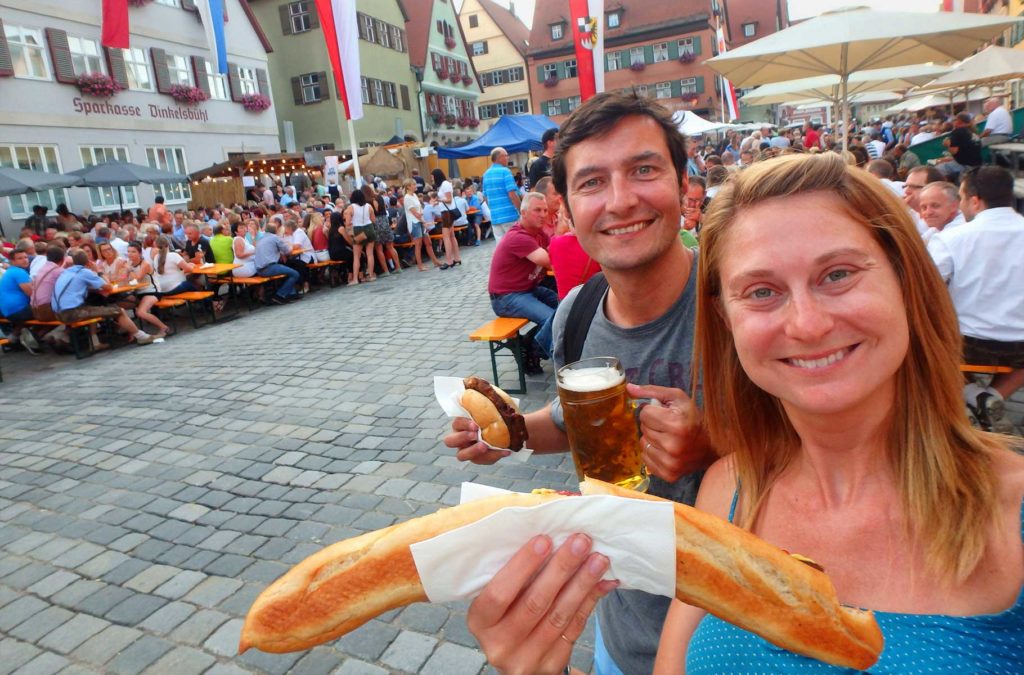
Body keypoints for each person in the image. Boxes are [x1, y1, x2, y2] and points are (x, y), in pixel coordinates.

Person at [467, 151, 1024, 675]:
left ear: (906, 281)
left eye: (838, 275)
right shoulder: (727, 491)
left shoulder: (1012, 512)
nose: (806, 324)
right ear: (725, 318)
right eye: (761, 291)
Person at [447, 93, 714, 674]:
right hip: (622, 636)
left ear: (683, 181)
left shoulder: (740, 301)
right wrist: (511, 434)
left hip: (737, 645)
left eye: (644, 170)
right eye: (593, 182)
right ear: (565, 207)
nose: (621, 200)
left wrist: (715, 446)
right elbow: (573, 425)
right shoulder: (577, 312)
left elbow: (836, 451)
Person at [928, 165, 1024, 410]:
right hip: (1021, 345)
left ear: (975, 201)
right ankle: (991, 396)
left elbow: (925, 286)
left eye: (961, 199)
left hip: (966, 344)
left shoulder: (952, 238)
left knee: (926, 337)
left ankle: (971, 394)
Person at [487, 192, 556, 371]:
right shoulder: (518, 237)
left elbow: (556, 249)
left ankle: (528, 343)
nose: (543, 214)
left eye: (545, 210)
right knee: (553, 318)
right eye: (537, 210)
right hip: (506, 298)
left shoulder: (539, 234)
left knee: (565, 310)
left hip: (528, 290)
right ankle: (532, 349)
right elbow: (550, 260)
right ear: (523, 212)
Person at [52, 248, 156, 348]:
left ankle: (96, 342)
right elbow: (108, 287)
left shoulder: (66, 272)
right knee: (118, 311)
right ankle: (141, 337)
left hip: (58, 313)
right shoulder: (84, 272)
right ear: (88, 261)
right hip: (72, 313)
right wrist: (98, 271)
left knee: (93, 307)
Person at [125, 242, 169, 338]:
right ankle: (131, 331)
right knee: (120, 304)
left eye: (133, 252)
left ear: (140, 253)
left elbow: (137, 279)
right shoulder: (129, 264)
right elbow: (123, 279)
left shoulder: (145, 264)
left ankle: (163, 327)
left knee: (140, 312)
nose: (130, 254)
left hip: (152, 291)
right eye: (128, 252)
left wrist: (129, 270)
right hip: (138, 292)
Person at [0, 248, 40, 352]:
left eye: (26, 257)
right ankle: (34, 338)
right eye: (20, 258)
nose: (25, 260)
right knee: (50, 310)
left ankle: (13, 338)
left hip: (8, 312)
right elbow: (32, 294)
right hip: (18, 311)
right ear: (13, 261)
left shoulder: (10, 271)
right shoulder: (19, 273)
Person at [253, 222, 300, 304]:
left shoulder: (260, 239)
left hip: (259, 269)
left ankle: (291, 293)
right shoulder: (275, 238)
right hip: (269, 268)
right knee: (295, 274)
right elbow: (288, 251)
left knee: (286, 270)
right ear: (276, 230)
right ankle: (279, 295)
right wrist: (290, 245)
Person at [482, 147, 521, 241]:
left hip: (495, 217)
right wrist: (520, 209)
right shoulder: (505, 171)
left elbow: (486, 197)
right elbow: (512, 194)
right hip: (510, 215)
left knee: (501, 247)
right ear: (499, 158)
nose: (508, 158)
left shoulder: (486, 174)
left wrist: (494, 210)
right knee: (515, 244)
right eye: (506, 156)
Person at [402, 178, 441, 271]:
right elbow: (415, 213)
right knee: (418, 245)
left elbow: (419, 211)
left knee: (428, 243)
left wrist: (423, 221)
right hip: (414, 223)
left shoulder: (414, 195)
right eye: (414, 184)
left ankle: (435, 261)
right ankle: (420, 265)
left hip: (420, 221)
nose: (416, 186)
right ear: (408, 186)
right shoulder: (407, 198)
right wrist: (424, 222)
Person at [344, 189, 377, 284]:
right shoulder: (369, 206)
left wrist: (350, 234)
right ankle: (370, 275)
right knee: (370, 254)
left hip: (358, 230)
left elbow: (348, 223)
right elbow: (373, 220)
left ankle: (355, 279)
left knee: (356, 256)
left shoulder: (351, 207)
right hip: (369, 228)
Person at [432, 169, 463, 270]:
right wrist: (439, 202)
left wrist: (438, 200)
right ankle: (457, 258)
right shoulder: (443, 185)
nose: (432, 178)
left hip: (447, 213)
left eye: (432, 176)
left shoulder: (445, 184)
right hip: (447, 212)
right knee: (452, 236)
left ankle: (449, 261)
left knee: (446, 237)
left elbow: (449, 200)